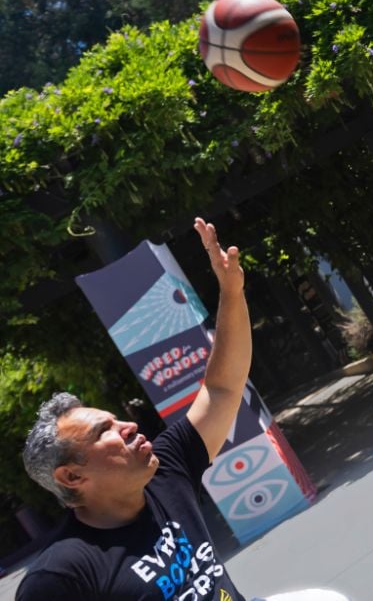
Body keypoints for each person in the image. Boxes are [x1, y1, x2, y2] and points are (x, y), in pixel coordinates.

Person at [17, 218, 346, 601]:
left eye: (115, 418)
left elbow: (222, 388)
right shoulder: (62, 575)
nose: (126, 426)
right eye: (102, 431)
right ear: (71, 476)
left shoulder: (166, 469)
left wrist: (231, 291)